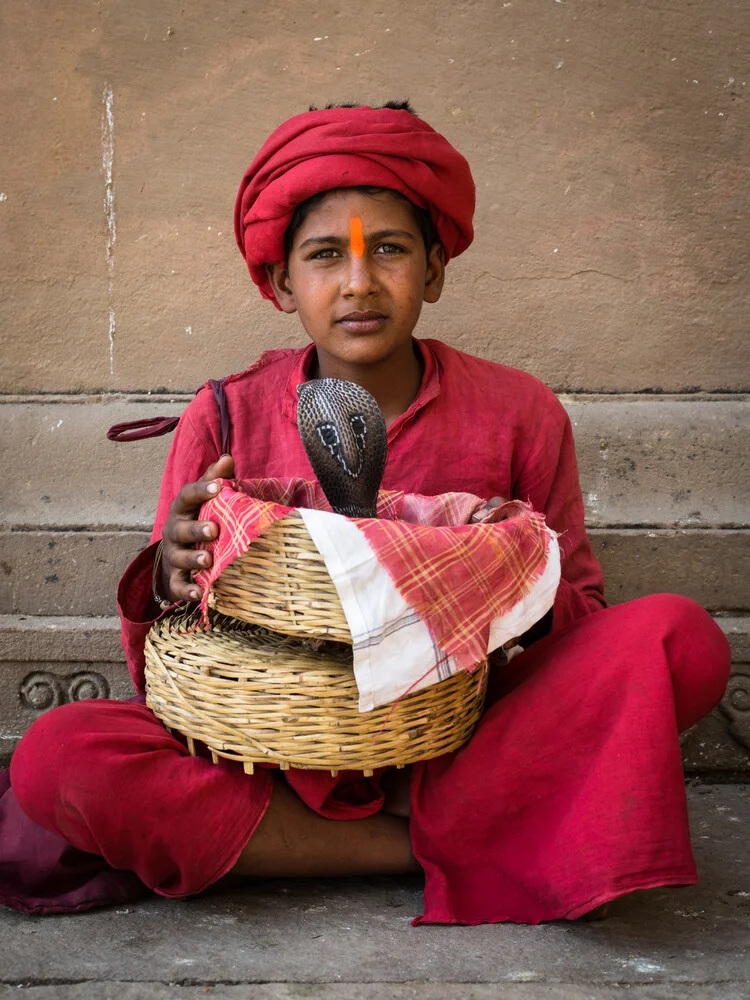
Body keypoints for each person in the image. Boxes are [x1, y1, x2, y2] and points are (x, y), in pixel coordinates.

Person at [4, 102, 731, 923]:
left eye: (388, 249)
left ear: (434, 270)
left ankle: (327, 843)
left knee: (682, 639)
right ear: (282, 283)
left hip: (460, 737)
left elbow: (579, 625)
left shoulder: (520, 412)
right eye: (324, 257)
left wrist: (507, 568)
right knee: (58, 758)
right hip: (277, 752)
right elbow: (170, 664)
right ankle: (437, 846)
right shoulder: (225, 416)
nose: (359, 281)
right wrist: (174, 575)